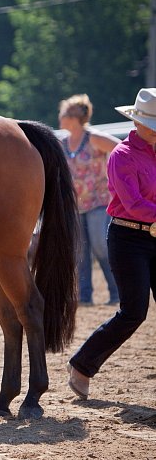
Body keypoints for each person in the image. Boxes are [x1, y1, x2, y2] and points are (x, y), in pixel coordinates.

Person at [68, 88, 156, 399]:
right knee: (133, 312)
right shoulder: (122, 156)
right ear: (141, 124)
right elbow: (133, 204)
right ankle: (82, 365)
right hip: (128, 237)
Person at [58, 94, 120, 306]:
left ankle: (116, 292)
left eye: (64, 113)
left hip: (99, 202)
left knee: (100, 246)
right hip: (74, 205)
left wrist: (115, 175)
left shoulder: (94, 138)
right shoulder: (62, 143)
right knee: (80, 251)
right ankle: (85, 296)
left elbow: (120, 148)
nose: (60, 117)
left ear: (74, 118)